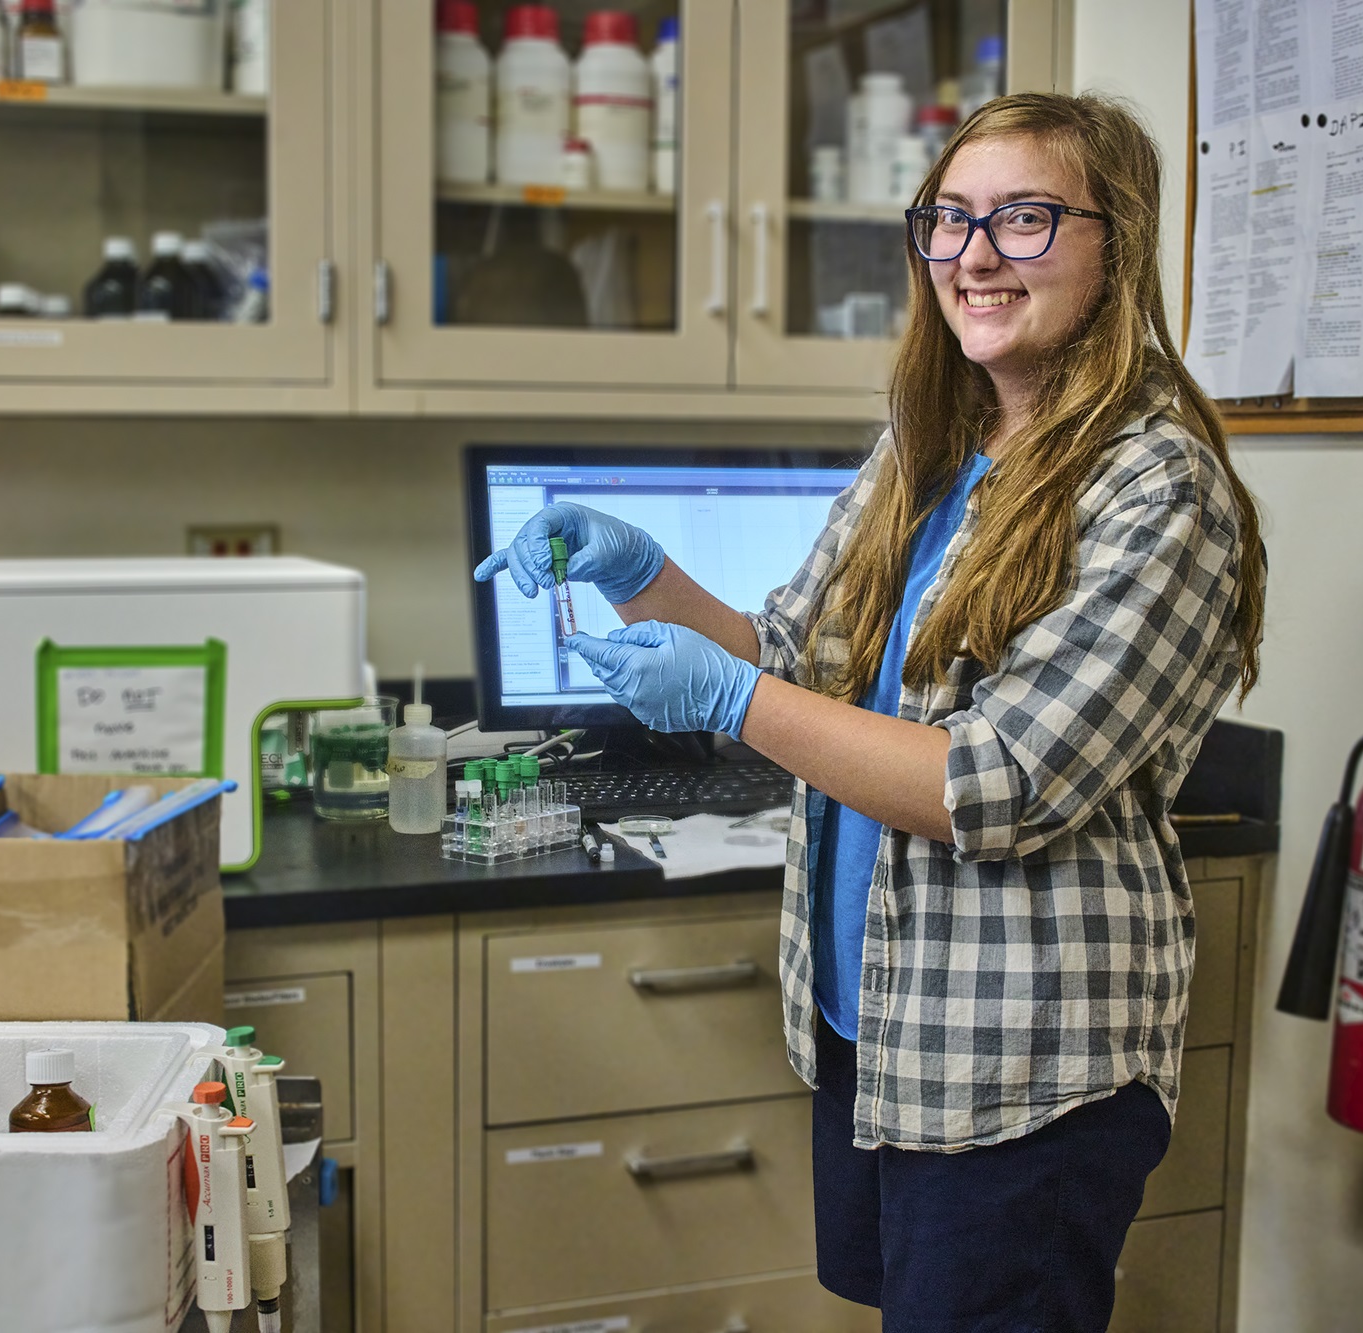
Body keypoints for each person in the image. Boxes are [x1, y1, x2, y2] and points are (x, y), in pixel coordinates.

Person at [474, 92, 1267, 1332]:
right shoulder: (929, 448)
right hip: (878, 1029)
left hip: (1018, 1068)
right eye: (947, 221)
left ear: (1115, 242)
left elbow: (990, 782)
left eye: (1022, 217)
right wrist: (640, 574)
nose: (971, 255)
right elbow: (796, 652)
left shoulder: (1155, 487)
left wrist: (734, 700)